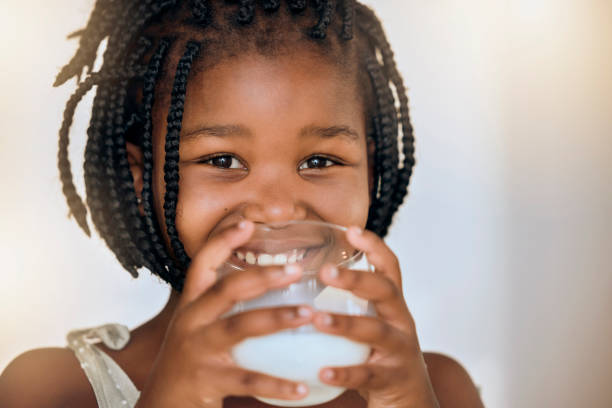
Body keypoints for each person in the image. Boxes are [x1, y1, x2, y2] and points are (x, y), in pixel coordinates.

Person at [0, 1, 484, 407]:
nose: (277, 210)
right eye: (223, 159)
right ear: (141, 180)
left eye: (320, 160)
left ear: (372, 172)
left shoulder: (437, 387)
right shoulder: (53, 388)